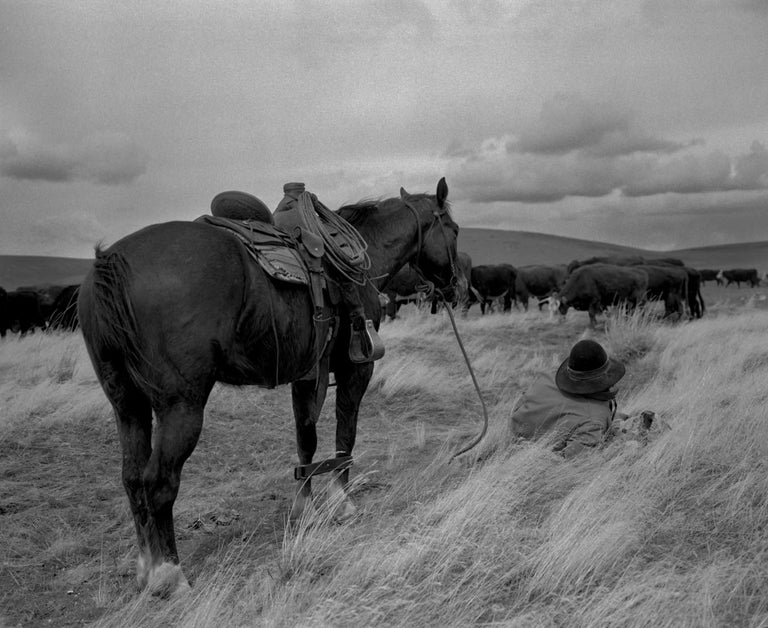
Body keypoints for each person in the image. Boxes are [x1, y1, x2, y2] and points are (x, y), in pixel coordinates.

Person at [511, 339, 626, 458]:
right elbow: (575, 461)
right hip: (534, 458)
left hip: (514, 432)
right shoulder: (594, 418)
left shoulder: (548, 378)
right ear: (604, 379)